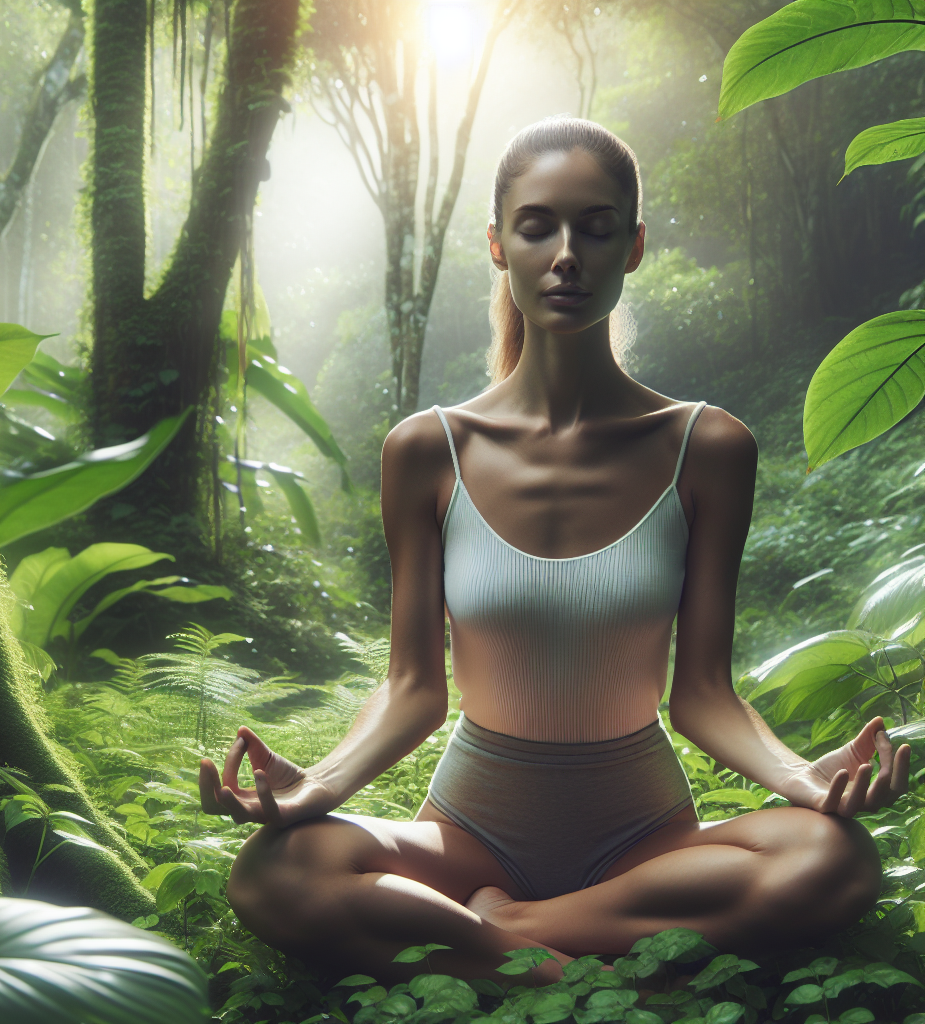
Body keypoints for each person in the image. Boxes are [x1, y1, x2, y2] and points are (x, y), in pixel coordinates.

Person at [198, 117, 910, 987]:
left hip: (648, 841)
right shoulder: (428, 449)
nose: (566, 253)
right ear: (498, 246)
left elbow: (704, 696)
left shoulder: (709, 446)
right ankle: (572, 970)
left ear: (633, 246)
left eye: (596, 227)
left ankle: (510, 935)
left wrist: (802, 779)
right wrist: (318, 790)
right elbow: (415, 687)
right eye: (538, 226)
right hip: (472, 832)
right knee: (275, 873)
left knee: (834, 859)